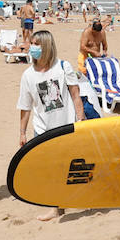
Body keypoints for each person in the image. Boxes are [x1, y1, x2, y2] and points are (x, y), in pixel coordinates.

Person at [18, 30, 85, 221]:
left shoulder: (63, 67)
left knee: (68, 167)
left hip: (67, 125)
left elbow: (75, 95)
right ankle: (54, 208)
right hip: (43, 129)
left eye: (37, 44)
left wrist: (80, 120)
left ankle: (68, 201)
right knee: (49, 169)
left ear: (46, 46)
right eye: (31, 43)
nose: (32, 47)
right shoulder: (27, 75)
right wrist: (22, 132)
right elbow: (25, 107)